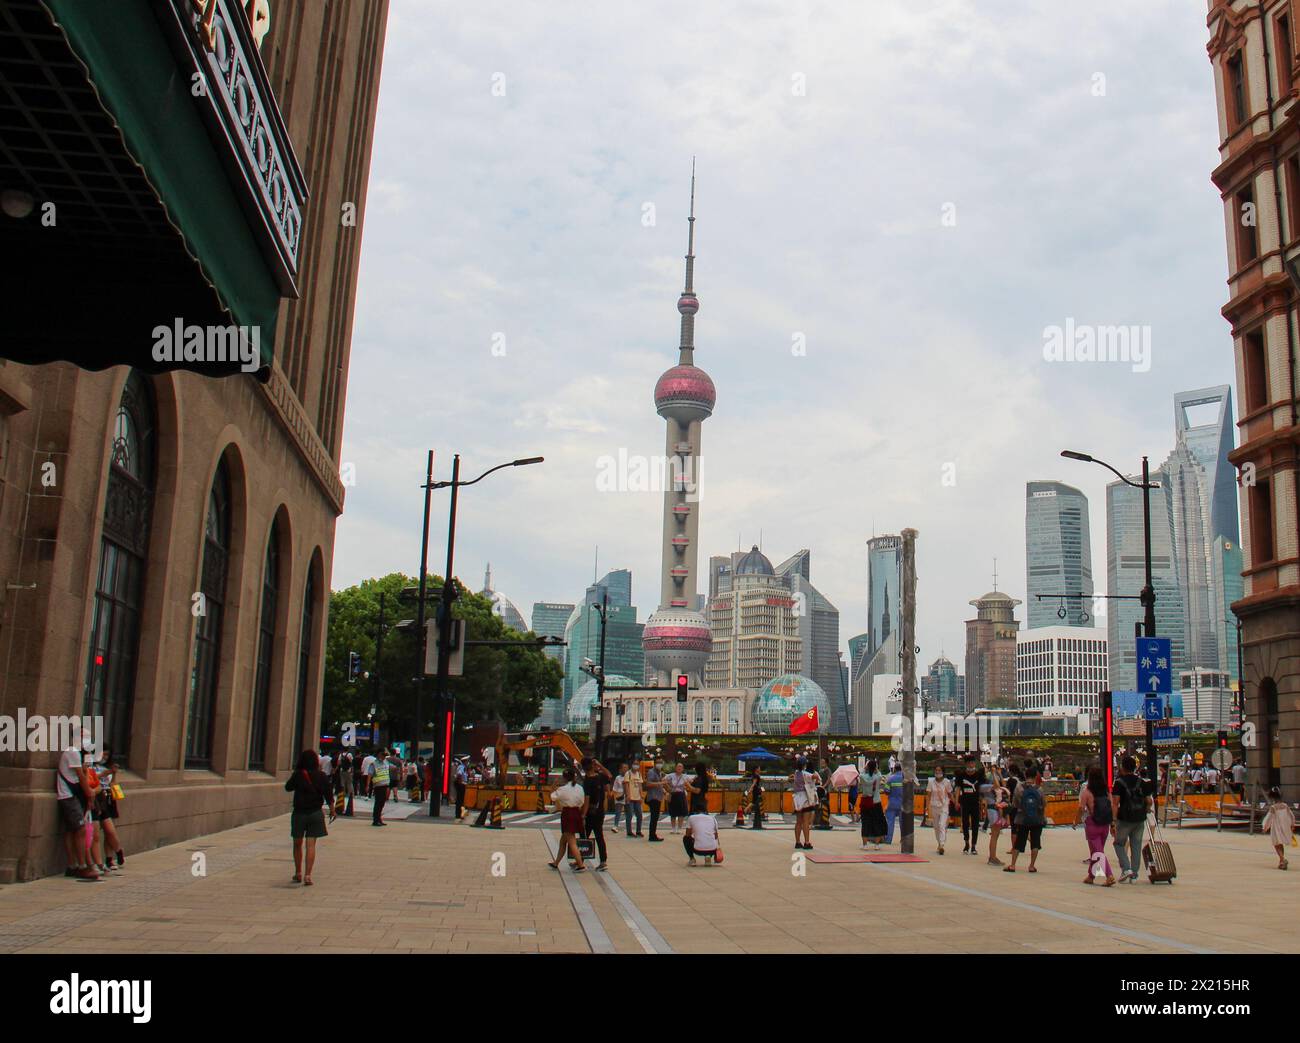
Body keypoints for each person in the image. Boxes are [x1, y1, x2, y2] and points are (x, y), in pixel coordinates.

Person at [285, 749, 335, 885]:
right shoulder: (322, 776)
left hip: (299, 813)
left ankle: (298, 872)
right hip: (315, 813)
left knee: (297, 843)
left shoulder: (298, 775)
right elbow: (329, 795)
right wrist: (332, 810)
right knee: (311, 844)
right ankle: (308, 875)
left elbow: (288, 788)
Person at [56, 731, 100, 881]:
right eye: (85, 736)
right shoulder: (72, 752)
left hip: (72, 795)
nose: (87, 740)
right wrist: (89, 793)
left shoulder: (79, 754)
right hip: (68, 796)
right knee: (80, 829)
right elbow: (80, 776)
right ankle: (81, 866)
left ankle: (73, 865)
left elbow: (85, 772)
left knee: (71, 830)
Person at [1111, 755, 1151, 884]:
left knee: (1118, 843)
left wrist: (1113, 820)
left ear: (1122, 767)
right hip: (1139, 818)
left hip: (1125, 818)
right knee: (1136, 845)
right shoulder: (1141, 782)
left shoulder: (1119, 783)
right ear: (1135, 767)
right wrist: (1147, 809)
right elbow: (1149, 800)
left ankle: (1126, 868)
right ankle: (1134, 874)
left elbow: (1115, 803)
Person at [1075, 766, 1117, 886]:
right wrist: (1113, 824)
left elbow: (1081, 808)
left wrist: (1076, 821)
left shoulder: (1086, 792)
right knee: (1096, 851)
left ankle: (1109, 875)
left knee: (1098, 852)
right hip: (1105, 824)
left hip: (1092, 824)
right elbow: (1111, 806)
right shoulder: (1106, 791)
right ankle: (1091, 876)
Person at [1005, 764, 1045, 873]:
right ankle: (1031, 866)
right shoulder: (1039, 789)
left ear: (1025, 775)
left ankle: (1013, 865)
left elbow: (1015, 803)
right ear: (1035, 776)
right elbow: (1043, 804)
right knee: (1035, 842)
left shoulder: (1019, 787)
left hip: (1022, 819)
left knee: (1019, 842)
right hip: (1037, 819)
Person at [547, 768, 588, 873]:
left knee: (571, 841)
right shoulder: (579, 788)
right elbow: (582, 801)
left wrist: (553, 787)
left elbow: (552, 797)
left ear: (564, 778)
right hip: (576, 813)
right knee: (563, 841)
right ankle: (556, 862)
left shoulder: (563, 789)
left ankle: (580, 864)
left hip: (567, 813)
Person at [91, 749, 124, 874]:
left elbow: (113, 784)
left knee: (110, 831)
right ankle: (118, 850)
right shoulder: (92, 768)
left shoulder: (106, 768)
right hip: (98, 798)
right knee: (105, 830)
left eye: (106, 755)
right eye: (102, 754)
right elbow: (91, 780)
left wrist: (113, 773)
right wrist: (102, 774)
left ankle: (110, 858)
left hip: (108, 798)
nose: (104, 757)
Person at [580, 757, 612, 871]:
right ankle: (603, 861)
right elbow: (609, 775)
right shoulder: (600, 776)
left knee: (584, 836)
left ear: (583, 768)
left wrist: (583, 815)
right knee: (599, 836)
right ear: (593, 765)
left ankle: (580, 861)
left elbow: (587, 800)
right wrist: (600, 765)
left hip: (590, 813)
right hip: (600, 812)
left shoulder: (587, 780)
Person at [955, 757, 985, 856]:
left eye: (972, 763)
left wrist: (983, 800)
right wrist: (956, 801)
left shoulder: (979, 775)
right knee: (965, 823)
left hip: (976, 802)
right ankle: (966, 842)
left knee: (975, 824)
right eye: (969, 763)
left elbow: (982, 788)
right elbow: (958, 788)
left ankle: (973, 845)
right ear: (966, 764)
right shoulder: (961, 775)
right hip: (965, 802)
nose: (971, 765)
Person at [1262, 787, 1294, 870]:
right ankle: (1281, 861)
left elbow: (1269, 818)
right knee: (1280, 843)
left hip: (1276, 828)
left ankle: (1283, 859)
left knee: (1276, 844)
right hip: (1285, 826)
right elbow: (1291, 815)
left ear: (1272, 797)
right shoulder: (1285, 805)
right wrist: (1292, 824)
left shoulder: (1274, 807)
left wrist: (1265, 826)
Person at [791, 756, 818, 851]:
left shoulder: (796, 773)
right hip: (805, 798)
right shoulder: (805, 774)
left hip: (797, 799)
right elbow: (815, 777)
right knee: (806, 821)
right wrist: (816, 776)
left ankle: (797, 842)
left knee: (798, 821)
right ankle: (807, 842)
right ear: (804, 765)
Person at [925, 764, 953, 855]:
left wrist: (956, 802)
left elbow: (950, 793)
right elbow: (928, 794)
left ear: (943, 772)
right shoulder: (931, 782)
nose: (938, 772)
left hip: (944, 806)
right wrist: (927, 806)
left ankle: (942, 845)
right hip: (934, 806)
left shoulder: (947, 782)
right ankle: (939, 843)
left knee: (942, 825)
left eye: (940, 770)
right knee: (936, 827)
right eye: (936, 770)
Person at [860, 759, 887, 849]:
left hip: (865, 802)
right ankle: (877, 845)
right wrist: (876, 768)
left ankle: (865, 845)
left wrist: (865, 768)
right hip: (876, 802)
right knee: (878, 822)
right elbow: (879, 774)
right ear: (875, 767)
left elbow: (861, 774)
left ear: (867, 767)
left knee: (865, 822)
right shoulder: (877, 777)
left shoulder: (863, 777)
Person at [986, 772, 1010, 866]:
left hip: (993, 811)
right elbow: (998, 784)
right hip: (994, 811)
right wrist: (993, 772)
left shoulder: (998, 789)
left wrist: (999, 774)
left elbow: (1003, 785)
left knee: (995, 836)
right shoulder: (992, 788)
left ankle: (992, 856)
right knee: (995, 836)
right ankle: (992, 858)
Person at [884, 761, 905, 845]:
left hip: (892, 803)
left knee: (890, 822)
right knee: (903, 823)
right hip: (903, 804)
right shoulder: (905, 778)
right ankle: (904, 839)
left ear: (895, 769)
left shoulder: (890, 778)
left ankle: (888, 840)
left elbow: (886, 791)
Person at [368, 748, 391, 826]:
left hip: (385, 785)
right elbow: (370, 775)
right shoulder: (374, 764)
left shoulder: (386, 762)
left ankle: (379, 819)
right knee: (378, 803)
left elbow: (391, 767)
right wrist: (367, 785)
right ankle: (375, 820)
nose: (384, 757)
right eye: (383, 755)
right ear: (379, 755)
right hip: (378, 786)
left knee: (382, 803)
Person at [644, 759, 665, 841]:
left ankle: (653, 834)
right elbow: (648, 784)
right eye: (658, 762)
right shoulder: (651, 772)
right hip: (653, 797)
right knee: (654, 817)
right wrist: (660, 783)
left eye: (661, 762)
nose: (659, 764)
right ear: (655, 763)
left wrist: (664, 790)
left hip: (658, 796)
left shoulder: (659, 772)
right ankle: (652, 835)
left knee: (655, 817)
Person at [666, 762, 690, 834]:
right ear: (675, 768)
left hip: (681, 794)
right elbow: (664, 781)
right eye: (678, 766)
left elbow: (690, 783)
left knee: (681, 813)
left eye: (681, 767)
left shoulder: (685, 776)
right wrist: (668, 788)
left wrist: (686, 786)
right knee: (673, 813)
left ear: (682, 769)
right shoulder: (670, 775)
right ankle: (673, 828)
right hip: (673, 794)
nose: (679, 768)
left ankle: (679, 828)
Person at [623, 761, 644, 837]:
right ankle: (629, 831)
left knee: (640, 815)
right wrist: (628, 795)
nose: (636, 766)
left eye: (637, 764)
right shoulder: (628, 774)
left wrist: (641, 795)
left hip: (637, 798)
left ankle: (638, 830)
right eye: (634, 764)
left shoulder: (639, 774)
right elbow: (626, 785)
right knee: (629, 815)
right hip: (630, 798)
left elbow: (640, 785)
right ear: (631, 765)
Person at [338, 750, 355, 816]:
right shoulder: (349, 754)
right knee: (349, 783)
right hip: (348, 770)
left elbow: (338, 763)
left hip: (342, 770)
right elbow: (351, 762)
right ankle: (350, 794)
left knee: (342, 783)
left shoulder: (340, 754)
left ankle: (342, 793)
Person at [611, 764, 626, 833]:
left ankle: (628, 827)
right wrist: (614, 795)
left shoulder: (629, 777)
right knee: (618, 812)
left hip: (627, 796)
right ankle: (615, 825)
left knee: (629, 812)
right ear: (620, 770)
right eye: (623, 768)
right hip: (619, 796)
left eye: (626, 768)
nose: (625, 769)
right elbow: (615, 788)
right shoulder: (618, 778)